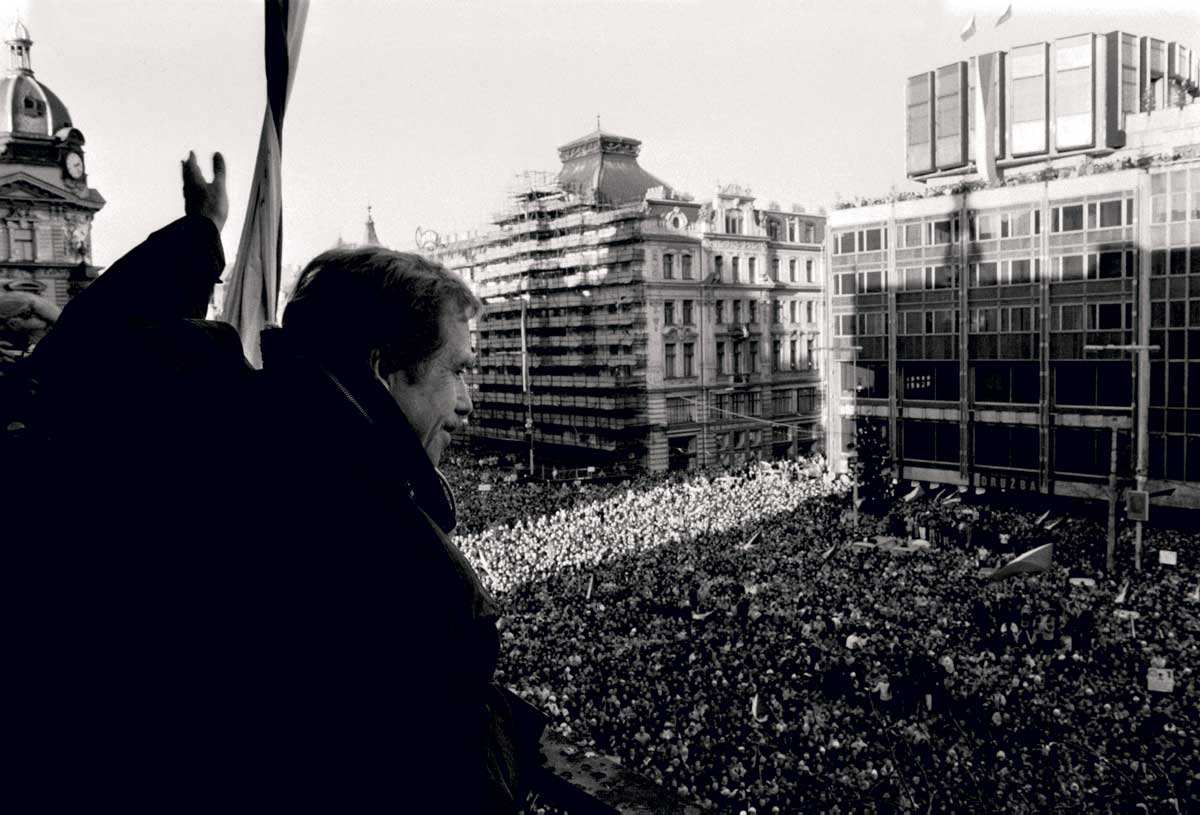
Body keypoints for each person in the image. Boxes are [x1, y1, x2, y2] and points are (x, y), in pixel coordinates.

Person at [16, 152, 542, 812]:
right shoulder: (420, 577)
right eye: (458, 370)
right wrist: (506, 724)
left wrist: (201, 230)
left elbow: (89, 346)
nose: (470, 398)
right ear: (384, 367)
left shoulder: (204, 407)